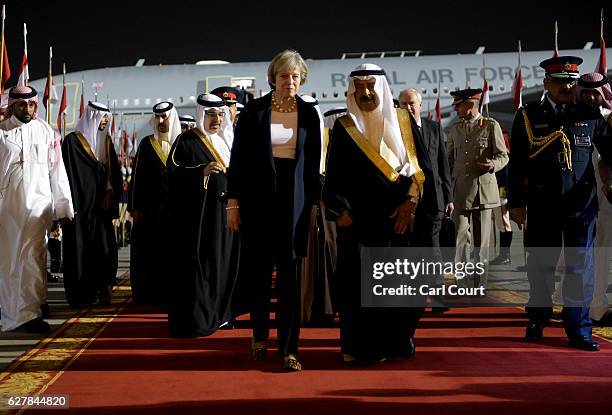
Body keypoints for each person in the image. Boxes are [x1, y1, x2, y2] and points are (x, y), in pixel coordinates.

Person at [323, 64, 426, 363]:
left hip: (398, 222)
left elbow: (421, 171)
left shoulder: (405, 121)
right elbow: (334, 177)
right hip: (358, 225)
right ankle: (361, 348)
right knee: (358, 290)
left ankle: (397, 340)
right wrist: (339, 212)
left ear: (380, 87)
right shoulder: (344, 127)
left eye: (371, 86)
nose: (366, 93)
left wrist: (410, 205)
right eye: (360, 88)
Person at [508, 56, 612, 351]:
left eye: (570, 81)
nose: (566, 86)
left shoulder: (589, 114)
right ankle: (538, 317)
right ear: (546, 85)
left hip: (581, 205)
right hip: (543, 204)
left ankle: (579, 329)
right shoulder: (529, 116)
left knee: (581, 266)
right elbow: (517, 164)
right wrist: (516, 203)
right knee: (542, 265)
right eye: (560, 82)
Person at [227, 49, 321, 371]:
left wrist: (312, 206)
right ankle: (258, 337)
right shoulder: (254, 111)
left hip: (293, 205)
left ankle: (289, 348)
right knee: (258, 276)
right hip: (257, 204)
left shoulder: (309, 114)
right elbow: (236, 161)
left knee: (290, 281)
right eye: (284, 76)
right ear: (273, 78)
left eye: (295, 76)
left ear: (301, 79)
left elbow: (312, 167)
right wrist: (233, 203)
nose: (290, 81)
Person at [0, 86, 73, 333]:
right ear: (12, 106)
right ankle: (14, 314)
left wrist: (62, 207)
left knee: (34, 258)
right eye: (22, 105)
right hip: (9, 207)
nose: (28, 109)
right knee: (11, 263)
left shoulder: (45, 131)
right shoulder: (2, 132)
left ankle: (31, 310)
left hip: (38, 206)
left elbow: (57, 171)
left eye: (31, 105)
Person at [166, 94, 240, 337]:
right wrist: (202, 171)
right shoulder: (186, 141)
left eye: (219, 114)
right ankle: (200, 319)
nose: (216, 119)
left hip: (227, 216)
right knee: (203, 267)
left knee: (226, 264)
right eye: (210, 114)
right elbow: (173, 174)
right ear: (201, 115)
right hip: (199, 220)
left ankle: (223, 315)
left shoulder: (228, 140)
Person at [62, 101, 122, 307]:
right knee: (79, 250)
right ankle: (81, 295)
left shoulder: (106, 142)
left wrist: (109, 193)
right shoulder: (72, 142)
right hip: (80, 208)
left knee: (103, 248)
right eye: (103, 117)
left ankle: (103, 288)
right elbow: (66, 176)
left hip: (100, 210)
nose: (105, 120)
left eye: (107, 117)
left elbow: (112, 173)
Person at [447, 88, 508, 287]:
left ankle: (480, 283)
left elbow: (503, 155)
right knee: (459, 239)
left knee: (481, 243)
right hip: (460, 193)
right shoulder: (455, 129)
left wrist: (494, 165)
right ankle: (461, 281)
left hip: (483, 192)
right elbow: (449, 160)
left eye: (459, 106)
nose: (456, 110)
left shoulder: (490, 126)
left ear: (470, 105)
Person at [398, 89, 453, 309]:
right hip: (407, 201)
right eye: (403, 104)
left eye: (411, 103)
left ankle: (437, 296)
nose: (408, 107)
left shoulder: (434, 128)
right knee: (413, 248)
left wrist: (448, 196)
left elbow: (443, 165)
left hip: (434, 199)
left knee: (432, 246)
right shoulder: (395, 132)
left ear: (420, 104)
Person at [128, 102, 181, 304]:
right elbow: (137, 178)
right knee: (150, 254)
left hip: (175, 212)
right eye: (157, 117)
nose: (160, 121)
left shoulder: (182, 143)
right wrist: (135, 206)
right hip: (150, 212)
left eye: (164, 117)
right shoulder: (146, 143)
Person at [575, 72, 612, 325]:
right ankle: (595, 307)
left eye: (595, 93)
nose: (590, 97)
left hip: (609, 193)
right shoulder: (575, 120)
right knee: (592, 253)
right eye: (585, 92)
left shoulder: (610, 120)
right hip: (586, 196)